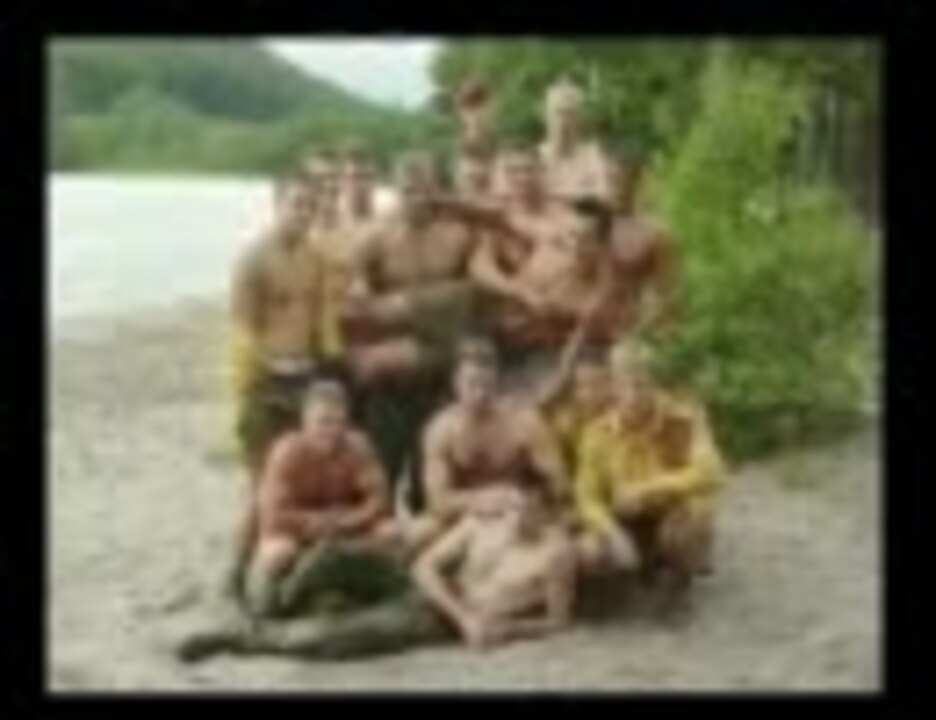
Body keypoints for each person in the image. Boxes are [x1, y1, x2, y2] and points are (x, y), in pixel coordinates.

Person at [177, 481, 577, 661]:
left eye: (528, 510)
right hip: (434, 593)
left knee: (334, 637)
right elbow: (424, 565)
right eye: (514, 506)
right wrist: (464, 616)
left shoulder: (556, 555)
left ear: (548, 513)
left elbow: (558, 623)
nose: (516, 516)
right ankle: (270, 606)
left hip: (435, 620)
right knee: (332, 556)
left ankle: (239, 639)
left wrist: (507, 629)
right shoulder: (484, 522)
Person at [574, 342, 724, 611]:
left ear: (655, 384)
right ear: (613, 387)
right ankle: (629, 579)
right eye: (625, 385)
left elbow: (712, 472)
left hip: (670, 513)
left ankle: (677, 581)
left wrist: (647, 489)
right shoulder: (596, 432)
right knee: (589, 551)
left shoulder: (684, 418)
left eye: (641, 385)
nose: (633, 395)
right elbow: (587, 497)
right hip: (625, 518)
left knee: (686, 529)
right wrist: (612, 532)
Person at [416, 338, 570, 546]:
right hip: (462, 516)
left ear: (497, 382)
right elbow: (437, 501)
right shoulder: (442, 429)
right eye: (472, 384)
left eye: (487, 385)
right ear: (455, 383)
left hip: (518, 512)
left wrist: (530, 501)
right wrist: (483, 499)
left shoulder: (524, 421)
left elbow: (559, 481)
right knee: (417, 533)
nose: (480, 393)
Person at [538, 76, 614, 203]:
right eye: (558, 113)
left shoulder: (593, 158)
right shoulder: (535, 158)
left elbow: (602, 197)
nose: (564, 120)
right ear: (545, 116)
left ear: (580, 118)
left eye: (571, 113)